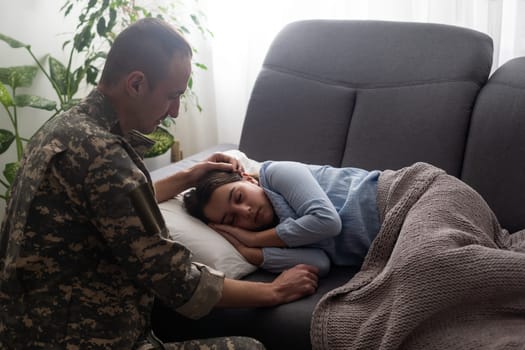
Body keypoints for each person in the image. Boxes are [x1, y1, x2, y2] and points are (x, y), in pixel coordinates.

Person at [0, 18, 318, 350]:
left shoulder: (64, 129)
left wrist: (188, 175)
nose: (177, 111)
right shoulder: (106, 158)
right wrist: (275, 290)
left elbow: (114, 208)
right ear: (136, 84)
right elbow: (178, 282)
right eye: (172, 96)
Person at [183, 160, 382, 277]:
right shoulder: (273, 236)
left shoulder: (276, 172)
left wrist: (253, 240)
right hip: (386, 245)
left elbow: (328, 222)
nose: (245, 211)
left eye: (239, 197)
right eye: (232, 220)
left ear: (248, 179)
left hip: (392, 199)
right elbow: (320, 263)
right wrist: (247, 251)